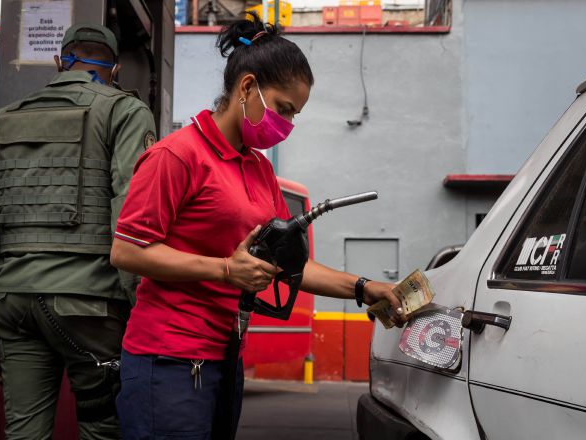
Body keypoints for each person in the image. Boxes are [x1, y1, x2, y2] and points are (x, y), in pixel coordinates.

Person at [109, 15, 404, 440]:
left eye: (294, 115)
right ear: (247, 87)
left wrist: (362, 287)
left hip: (224, 356)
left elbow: (289, 266)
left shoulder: (259, 168)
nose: (286, 124)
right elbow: (128, 252)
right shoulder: (176, 156)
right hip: (169, 360)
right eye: (283, 109)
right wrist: (225, 270)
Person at [0, 23, 156, 440]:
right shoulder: (125, 111)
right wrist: (138, 308)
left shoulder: (8, 119)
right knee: (103, 430)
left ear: (59, 63)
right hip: (90, 307)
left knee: (24, 433)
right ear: (115, 70)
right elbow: (131, 212)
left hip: (13, 302)